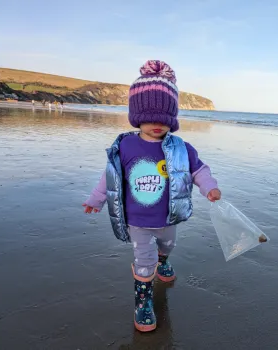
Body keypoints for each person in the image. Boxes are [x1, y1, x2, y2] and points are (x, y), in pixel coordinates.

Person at [82, 60, 221, 333]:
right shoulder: (126, 145)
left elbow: (199, 170)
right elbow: (110, 176)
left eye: (164, 118)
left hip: (168, 216)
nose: (157, 124)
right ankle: (143, 302)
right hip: (137, 220)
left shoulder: (182, 148)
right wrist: (95, 199)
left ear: (172, 119)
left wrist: (209, 187)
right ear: (137, 115)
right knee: (144, 262)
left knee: (167, 246)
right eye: (150, 117)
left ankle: (164, 261)